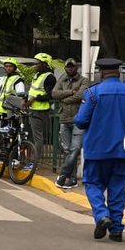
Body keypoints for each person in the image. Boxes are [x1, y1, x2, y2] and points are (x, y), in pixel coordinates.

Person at [72, 58, 125, 242]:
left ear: (101, 73)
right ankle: (116, 229)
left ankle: (102, 215)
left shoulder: (93, 93)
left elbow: (81, 120)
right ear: (119, 72)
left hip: (97, 149)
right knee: (117, 188)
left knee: (93, 184)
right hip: (123, 150)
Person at [53, 58, 91, 189]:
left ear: (76, 68)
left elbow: (81, 95)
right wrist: (69, 92)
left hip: (78, 119)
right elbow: (54, 93)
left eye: (72, 67)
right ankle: (73, 179)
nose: (70, 69)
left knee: (74, 150)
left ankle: (63, 175)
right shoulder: (62, 79)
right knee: (67, 150)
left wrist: (64, 99)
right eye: (68, 67)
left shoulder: (84, 80)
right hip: (64, 118)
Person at [25, 53, 56, 154]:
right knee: (31, 136)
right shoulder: (37, 75)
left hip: (40, 111)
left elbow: (49, 95)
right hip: (32, 109)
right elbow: (32, 91)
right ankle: (30, 158)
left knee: (37, 137)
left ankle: (35, 161)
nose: (35, 65)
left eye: (37, 63)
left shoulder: (49, 77)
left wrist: (35, 98)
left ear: (45, 64)